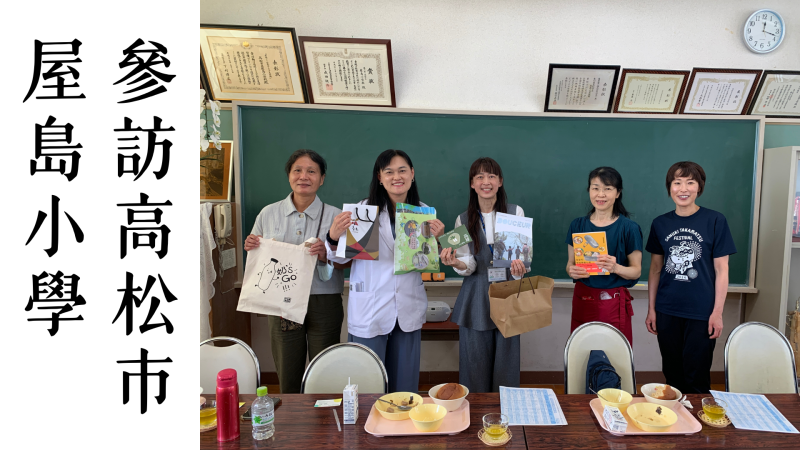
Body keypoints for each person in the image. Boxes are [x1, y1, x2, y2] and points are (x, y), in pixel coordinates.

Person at [326, 149, 445, 393]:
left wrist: (438, 241)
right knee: (367, 384)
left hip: (407, 306)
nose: (396, 177)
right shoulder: (363, 211)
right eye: (389, 172)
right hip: (371, 308)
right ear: (379, 177)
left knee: (404, 387)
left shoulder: (423, 212)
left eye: (402, 170)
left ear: (412, 174)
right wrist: (333, 237)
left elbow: (425, 260)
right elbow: (340, 259)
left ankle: (402, 418)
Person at [244, 149, 345, 394]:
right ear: (289, 175)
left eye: (312, 171)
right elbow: (258, 259)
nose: (304, 176)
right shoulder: (268, 213)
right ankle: (291, 417)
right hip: (282, 304)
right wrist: (251, 246)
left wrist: (326, 254)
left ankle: (324, 416)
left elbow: (348, 262)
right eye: (297, 170)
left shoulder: (337, 217)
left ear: (322, 178)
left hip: (324, 301)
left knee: (324, 369)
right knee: (288, 370)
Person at [645, 161, 735, 394]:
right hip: (667, 310)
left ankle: (698, 417)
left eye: (690, 182)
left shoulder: (715, 221)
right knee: (672, 375)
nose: (683, 189)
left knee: (697, 377)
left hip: (701, 312)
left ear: (699, 187)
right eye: (677, 183)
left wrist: (717, 312)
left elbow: (722, 270)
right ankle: (675, 417)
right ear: (670, 187)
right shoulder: (660, 223)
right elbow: (655, 269)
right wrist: (652, 309)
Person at [439, 157, 527, 392]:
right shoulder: (463, 219)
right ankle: (476, 409)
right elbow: (468, 264)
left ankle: (505, 409)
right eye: (479, 177)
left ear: (500, 182)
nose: (486, 182)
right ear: (472, 183)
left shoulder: (514, 212)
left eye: (491, 176)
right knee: (474, 362)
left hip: (508, 293)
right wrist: (456, 262)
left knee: (507, 361)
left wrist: (519, 270)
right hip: (475, 296)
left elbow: (521, 257)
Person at [566, 167, 642, 345]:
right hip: (583, 299)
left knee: (613, 352)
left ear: (618, 193)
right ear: (589, 191)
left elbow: (636, 271)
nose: (600, 194)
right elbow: (570, 264)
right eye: (595, 188)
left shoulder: (629, 228)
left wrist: (615, 267)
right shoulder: (577, 225)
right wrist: (571, 271)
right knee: (583, 351)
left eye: (607, 188)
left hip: (612, 302)